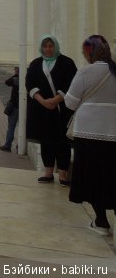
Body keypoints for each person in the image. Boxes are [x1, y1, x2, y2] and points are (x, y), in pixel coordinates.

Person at [65, 36, 116, 235]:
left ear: (89, 53)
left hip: (89, 133)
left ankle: (101, 221)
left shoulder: (86, 71)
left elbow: (70, 102)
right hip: (113, 133)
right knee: (111, 173)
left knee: (92, 175)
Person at [25, 34, 77, 185]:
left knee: (63, 142)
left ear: (56, 46)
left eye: (51, 46)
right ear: (41, 47)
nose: (48, 49)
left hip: (61, 110)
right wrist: (43, 101)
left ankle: (62, 174)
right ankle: (48, 172)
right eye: (45, 46)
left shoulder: (67, 63)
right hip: (42, 110)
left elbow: (72, 83)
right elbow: (29, 83)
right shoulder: (35, 64)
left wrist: (55, 100)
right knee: (46, 140)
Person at [0, 67, 19, 151]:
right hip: (24, 107)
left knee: (11, 127)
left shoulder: (16, 79)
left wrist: (16, 74)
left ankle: (8, 145)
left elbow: (7, 82)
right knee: (24, 128)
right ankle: (20, 146)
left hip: (14, 106)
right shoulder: (27, 80)